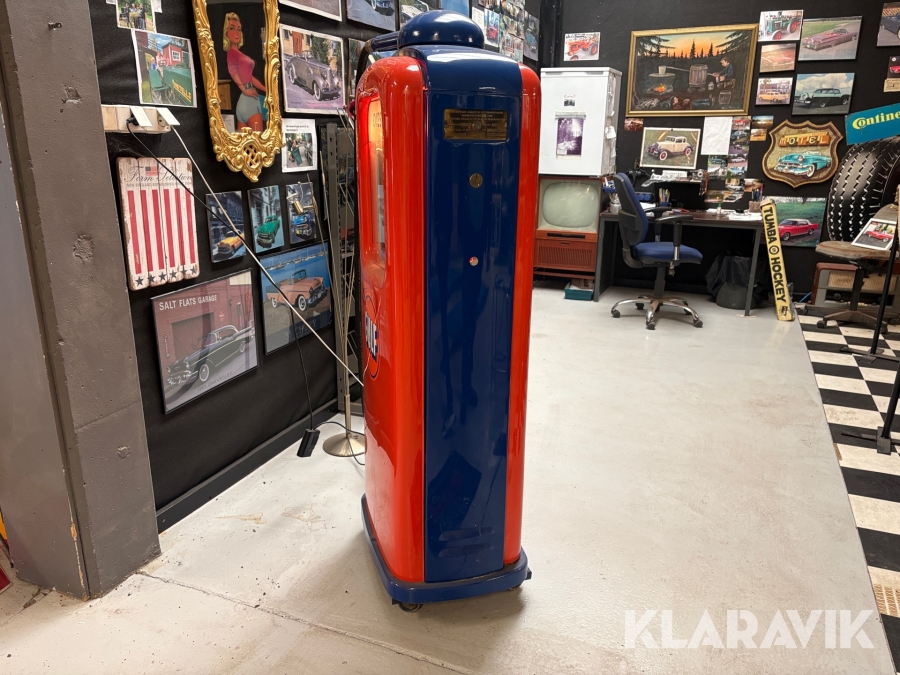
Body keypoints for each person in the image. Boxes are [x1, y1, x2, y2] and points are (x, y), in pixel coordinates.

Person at [223, 12, 266, 132]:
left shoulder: (238, 53)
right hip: (249, 101)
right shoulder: (231, 53)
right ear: (226, 32)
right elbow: (233, 72)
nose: (236, 32)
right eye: (232, 28)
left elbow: (249, 77)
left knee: (244, 143)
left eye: (238, 29)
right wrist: (244, 90)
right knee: (258, 141)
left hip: (246, 100)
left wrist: (266, 89)